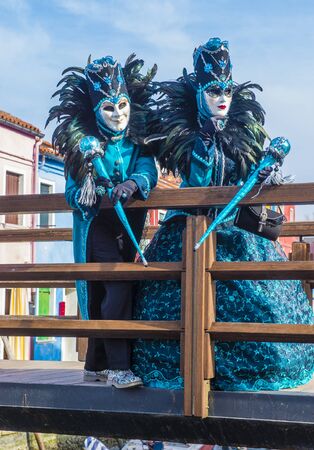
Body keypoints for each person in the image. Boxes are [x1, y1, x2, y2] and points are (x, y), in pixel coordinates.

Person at [132, 38, 314, 391]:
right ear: (198, 92)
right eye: (213, 90)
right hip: (187, 232)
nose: (222, 97)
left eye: (226, 90)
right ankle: (193, 367)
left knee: (260, 305)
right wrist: (202, 140)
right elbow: (199, 183)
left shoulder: (240, 133)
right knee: (177, 304)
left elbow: (245, 180)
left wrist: (261, 172)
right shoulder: (184, 136)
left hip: (234, 233)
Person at [47, 54, 158, 388]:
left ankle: (94, 363)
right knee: (117, 285)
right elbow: (70, 191)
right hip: (96, 227)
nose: (119, 114)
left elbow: (149, 169)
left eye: (122, 105)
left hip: (128, 226)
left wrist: (135, 182)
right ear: (95, 111)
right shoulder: (80, 146)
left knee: (103, 294)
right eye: (109, 108)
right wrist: (88, 188)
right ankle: (118, 367)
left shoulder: (138, 142)